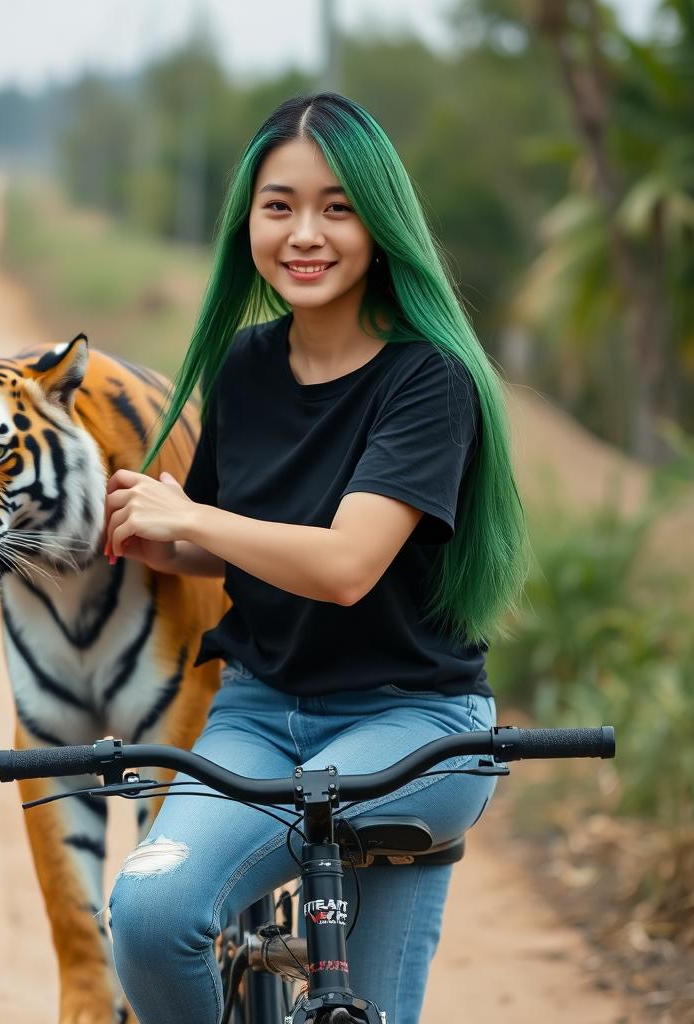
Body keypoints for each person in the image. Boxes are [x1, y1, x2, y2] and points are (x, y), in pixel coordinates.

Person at [101, 92, 528, 1024]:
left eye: (337, 207)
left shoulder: (430, 380)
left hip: (414, 724)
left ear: (381, 225)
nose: (306, 232)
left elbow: (342, 566)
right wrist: (144, 531)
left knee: (364, 1008)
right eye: (279, 205)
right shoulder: (246, 367)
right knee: (149, 915)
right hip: (259, 716)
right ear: (247, 221)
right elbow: (221, 547)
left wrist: (198, 520)